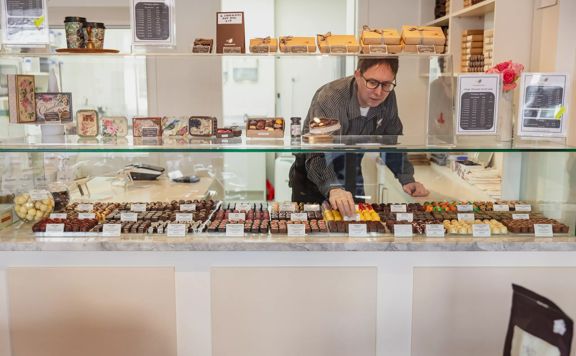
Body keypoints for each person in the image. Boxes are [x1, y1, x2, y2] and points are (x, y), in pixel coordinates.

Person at [289, 57, 429, 217]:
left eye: (386, 84)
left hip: (351, 172)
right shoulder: (331, 97)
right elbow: (317, 153)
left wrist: (407, 178)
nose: (378, 92)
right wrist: (333, 187)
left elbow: (390, 141)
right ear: (357, 75)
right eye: (372, 82)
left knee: (355, 231)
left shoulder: (387, 96)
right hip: (313, 177)